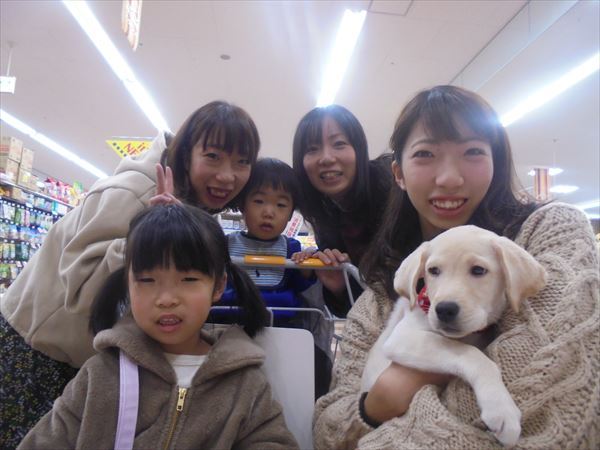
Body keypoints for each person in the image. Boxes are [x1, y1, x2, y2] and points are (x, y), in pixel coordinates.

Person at [313, 85, 599, 449]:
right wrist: (377, 403)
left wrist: (391, 407)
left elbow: (553, 392)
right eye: (425, 153)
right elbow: (328, 426)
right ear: (398, 173)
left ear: (496, 161)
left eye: (473, 151)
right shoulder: (384, 293)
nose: (449, 178)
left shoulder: (550, 233)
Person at [0, 101, 260, 448]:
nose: (228, 175)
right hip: (39, 350)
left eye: (242, 162)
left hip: (83, 356)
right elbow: (80, 288)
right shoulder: (134, 190)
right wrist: (148, 241)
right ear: (186, 154)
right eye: (213, 156)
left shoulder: (187, 205)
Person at [18, 204, 298, 449]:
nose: (166, 299)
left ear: (218, 286)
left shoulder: (245, 384)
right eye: (147, 280)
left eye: (188, 280)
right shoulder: (101, 374)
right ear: (128, 283)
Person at [219, 157, 332, 398]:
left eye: (281, 205)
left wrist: (305, 268)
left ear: (291, 214)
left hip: (282, 328)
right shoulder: (225, 244)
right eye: (259, 201)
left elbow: (300, 286)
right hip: (228, 324)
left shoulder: (291, 248)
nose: (269, 212)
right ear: (242, 204)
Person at [292, 104, 393, 318]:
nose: (326, 158)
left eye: (339, 144)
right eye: (312, 149)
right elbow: (354, 310)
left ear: (359, 149)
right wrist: (339, 286)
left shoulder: (392, 187)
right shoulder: (326, 217)